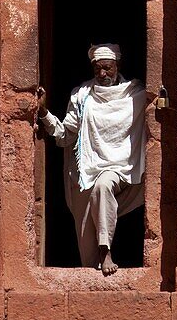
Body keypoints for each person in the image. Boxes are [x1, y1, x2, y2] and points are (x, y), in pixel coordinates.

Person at [36, 43, 149, 274]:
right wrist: (44, 113)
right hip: (86, 169)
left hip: (121, 167)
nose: (102, 74)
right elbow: (66, 136)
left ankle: (105, 251)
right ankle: (92, 275)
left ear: (118, 65)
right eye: (97, 69)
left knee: (103, 186)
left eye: (107, 68)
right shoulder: (82, 96)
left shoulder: (135, 95)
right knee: (85, 237)